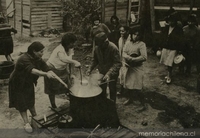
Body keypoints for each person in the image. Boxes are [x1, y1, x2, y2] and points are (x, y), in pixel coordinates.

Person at [8, 42, 56, 133]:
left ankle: (35, 116)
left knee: (30, 99)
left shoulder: (37, 58)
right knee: (21, 102)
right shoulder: (24, 59)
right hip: (17, 83)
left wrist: (50, 71)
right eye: (41, 52)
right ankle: (26, 123)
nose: (42, 53)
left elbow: (44, 66)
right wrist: (46, 74)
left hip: (27, 82)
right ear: (34, 51)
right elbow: (33, 71)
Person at [44, 33, 81, 108]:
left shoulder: (70, 49)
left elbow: (69, 61)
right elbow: (63, 59)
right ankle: (53, 105)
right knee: (51, 89)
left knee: (69, 85)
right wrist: (75, 61)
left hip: (62, 69)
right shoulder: (59, 49)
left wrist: (71, 73)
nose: (73, 44)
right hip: (52, 68)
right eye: (72, 43)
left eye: (74, 42)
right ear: (67, 43)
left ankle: (72, 101)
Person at [87, 32, 121, 103]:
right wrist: (90, 69)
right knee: (102, 88)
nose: (99, 47)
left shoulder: (113, 48)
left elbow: (117, 63)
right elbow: (95, 60)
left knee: (112, 89)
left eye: (100, 45)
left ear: (106, 42)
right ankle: (103, 104)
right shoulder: (97, 48)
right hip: (102, 71)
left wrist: (109, 73)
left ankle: (112, 105)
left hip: (113, 72)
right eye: (98, 45)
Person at [122, 27, 147, 107]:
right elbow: (124, 52)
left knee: (138, 84)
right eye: (134, 34)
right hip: (129, 66)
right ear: (131, 35)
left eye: (138, 35)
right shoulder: (128, 43)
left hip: (137, 67)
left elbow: (144, 57)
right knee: (129, 83)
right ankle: (130, 99)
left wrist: (134, 59)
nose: (136, 36)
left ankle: (142, 102)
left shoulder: (142, 44)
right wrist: (128, 58)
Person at [160, 13, 183, 84]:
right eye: (170, 21)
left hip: (173, 48)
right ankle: (168, 74)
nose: (171, 22)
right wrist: (160, 46)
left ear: (175, 22)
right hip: (166, 47)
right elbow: (162, 37)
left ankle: (169, 76)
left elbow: (181, 40)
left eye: (173, 21)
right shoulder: (166, 28)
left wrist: (180, 50)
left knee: (170, 63)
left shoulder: (179, 30)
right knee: (166, 62)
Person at [117, 26, 130, 96]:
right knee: (122, 74)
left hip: (129, 60)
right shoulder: (120, 39)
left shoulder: (131, 40)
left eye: (123, 31)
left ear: (127, 32)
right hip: (122, 59)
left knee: (129, 75)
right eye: (120, 31)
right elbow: (120, 50)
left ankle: (129, 92)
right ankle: (122, 90)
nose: (121, 32)